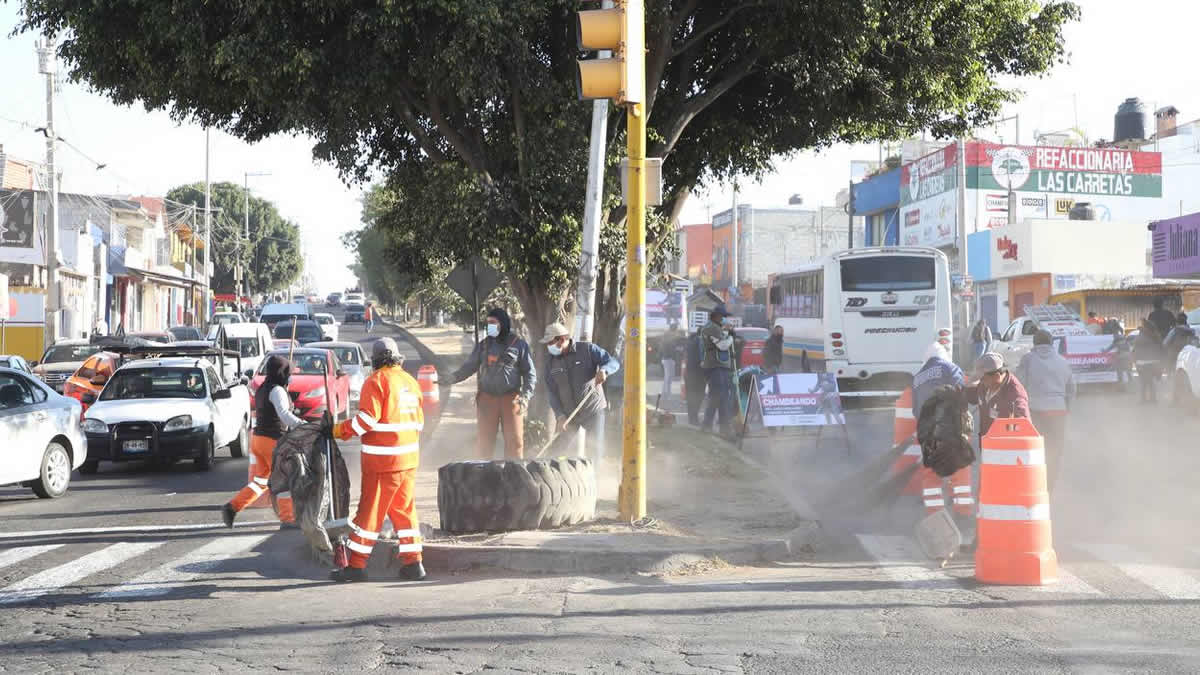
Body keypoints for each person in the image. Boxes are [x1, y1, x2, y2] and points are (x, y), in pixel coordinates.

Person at [329, 337, 426, 583]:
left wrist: (337, 430)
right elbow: (420, 422)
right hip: (409, 460)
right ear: (396, 357)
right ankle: (414, 563)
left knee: (369, 513)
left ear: (375, 360)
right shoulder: (410, 382)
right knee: (404, 512)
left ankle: (356, 566)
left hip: (383, 463)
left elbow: (366, 421)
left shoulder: (376, 381)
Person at [223, 354, 300, 529]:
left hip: (258, 440)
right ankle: (288, 519)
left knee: (261, 481)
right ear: (282, 373)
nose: (290, 376)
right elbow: (284, 415)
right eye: (288, 372)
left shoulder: (263, 388)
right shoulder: (277, 391)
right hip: (272, 441)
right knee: (284, 480)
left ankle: (233, 507)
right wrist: (302, 425)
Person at [450, 307, 536, 458]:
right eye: (488, 323)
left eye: (493, 323)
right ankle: (484, 472)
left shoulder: (519, 345)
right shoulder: (483, 345)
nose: (489, 326)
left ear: (502, 323)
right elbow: (469, 367)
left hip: (512, 399)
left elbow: (530, 373)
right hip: (487, 399)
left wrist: (526, 396)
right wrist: (452, 378)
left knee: (515, 441)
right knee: (484, 442)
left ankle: (513, 473)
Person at [912, 342, 972, 524]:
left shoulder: (917, 377)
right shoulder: (949, 368)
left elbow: (915, 410)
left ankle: (935, 518)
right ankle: (963, 516)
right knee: (959, 471)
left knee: (931, 474)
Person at [542, 322, 619, 454]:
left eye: (550, 342)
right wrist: (560, 416)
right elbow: (552, 393)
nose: (549, 347)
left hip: (593, 410)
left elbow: (613, 362)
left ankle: (595, 473)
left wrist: (604, 371)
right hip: (569, 415)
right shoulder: (550, 362)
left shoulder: (587, 350)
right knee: (555, 452)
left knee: (595, 450)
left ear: (562, 339)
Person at [1015, 330, 1075, 491]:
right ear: (1051, 343)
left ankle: (1034, 484)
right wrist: (1065, 407)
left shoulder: (1028, 359)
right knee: (1055, 450)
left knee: (1034, 449)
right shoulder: (1062, 361)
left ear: (1034, 343)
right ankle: (1050, 486)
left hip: (1035, 412)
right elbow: (1071, 389)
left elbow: (1018, 384)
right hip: (1058, 413)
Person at [965, 352, 1030, 442]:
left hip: (1003, 449)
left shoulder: (1015, 395)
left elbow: (1024, 427)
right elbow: (974, 397)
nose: (981, 382)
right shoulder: (985, 385)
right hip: (986, 445)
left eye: (983, 379)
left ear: (997, 376)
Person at [700, 306, 737, 437]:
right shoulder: (711, 328)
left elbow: (722, 341)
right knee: (716, 397)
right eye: (722, 316)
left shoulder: (716, 328)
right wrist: (731, 337)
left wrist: (728, 334)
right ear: (715, 316)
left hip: (721, 367)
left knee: (723, 399)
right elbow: (722, 345)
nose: (723, 319)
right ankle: (707, 425)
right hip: (715, 367)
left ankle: (724, 428)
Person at [1134, 319, 1165, 404]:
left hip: (1142, 362)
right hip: (1154, 362)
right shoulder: (1156, 335)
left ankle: (1143, 400)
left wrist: (1135, 360)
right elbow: (1162, 349)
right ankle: (1153, 399)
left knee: (1143, 382)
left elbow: (1135, 350)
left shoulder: (1140, 336)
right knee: (1151, 381)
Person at [684, 329, 706, 426]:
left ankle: (692, 418)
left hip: (689, 373)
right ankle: (694, 418)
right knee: (699, 395)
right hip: (699, 374)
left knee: (691, 396)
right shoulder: (700, 342)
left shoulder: (690, 341)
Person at [659, 326, 681, 405]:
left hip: (666, 359)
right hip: (668, 359)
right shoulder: (669, 338)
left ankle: (664, 393)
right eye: (676, 330)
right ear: (673, 330)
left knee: (667, 377)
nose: (676, 333)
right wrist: (677, 349)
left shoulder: (667, 337)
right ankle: (667, 395)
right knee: (668, 378)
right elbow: (671, 348)